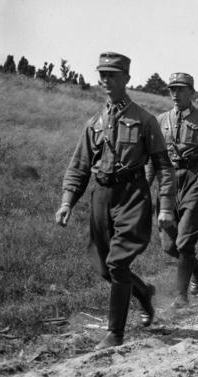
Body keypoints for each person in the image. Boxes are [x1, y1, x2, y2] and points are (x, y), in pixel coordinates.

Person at [55, 51, 176, 349]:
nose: (106, 80)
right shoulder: (94, 123)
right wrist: (67, 201)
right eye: (103, 75)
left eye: (113, 75)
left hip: (132, 194)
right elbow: (80, 166)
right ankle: (144, 293)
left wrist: (166, 206)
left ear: (126, 79)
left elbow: (163, 167)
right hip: (101, 195)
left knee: (118, 262)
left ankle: (115, 333)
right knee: (103, 266)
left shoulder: (145, 120)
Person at [149, 73, 198, 307]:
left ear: (191, 92)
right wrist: (145, 186)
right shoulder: (161, 120)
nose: (175, 94)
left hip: (194, 182)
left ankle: (181, 297)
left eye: (181, 89)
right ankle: (196, 267)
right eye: (172, 89)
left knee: (184, 243)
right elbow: (154, 157)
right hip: (168, 184)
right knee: (169, 245)